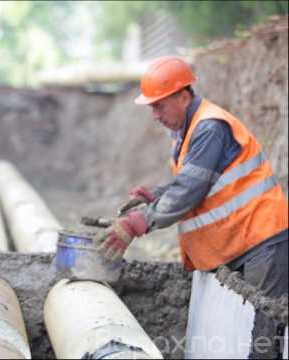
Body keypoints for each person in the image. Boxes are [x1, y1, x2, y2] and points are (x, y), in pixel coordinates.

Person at [94, 56, 288, 357]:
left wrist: (137, 223)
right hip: (245, 239)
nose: (154, 115)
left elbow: (188, 191)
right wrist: (152, 195)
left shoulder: (209, 127)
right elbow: (194, 180)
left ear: (183, 96)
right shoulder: (191, 130)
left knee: (262, 339)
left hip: (261, 239)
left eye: (159, 105)